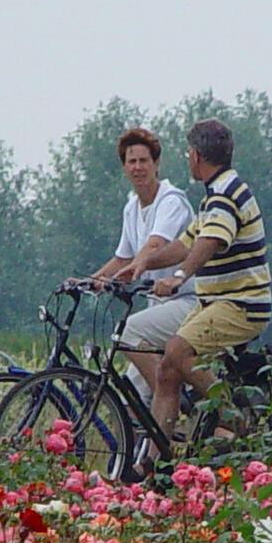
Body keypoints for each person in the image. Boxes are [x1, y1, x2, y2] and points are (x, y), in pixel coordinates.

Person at [122, 118, 271, 471]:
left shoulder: (225, 195)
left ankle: (234, 417)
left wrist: (179, 276)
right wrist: (142, 265)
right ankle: (154, 468)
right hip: (217, 303)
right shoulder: (214, 196)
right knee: (167, 373)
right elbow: (184, 243)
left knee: (175, 351)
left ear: (198, 155)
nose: (187, 158)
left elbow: (210, 240)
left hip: (240, 305)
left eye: (189, 152)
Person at [89, 128, 196, 406]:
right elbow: (124, 257)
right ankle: (148, 445)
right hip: (158, 307)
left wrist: (132, 271)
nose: (137, 167)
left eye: (143, 161)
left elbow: (154, 246)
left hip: (188, 300)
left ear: (156, 164)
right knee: (131, 401)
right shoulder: (132, 207)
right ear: (124, 167)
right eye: (131, 161)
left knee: (127, 332)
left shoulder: (172, 201)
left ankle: (172, 397)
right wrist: (91, 280)